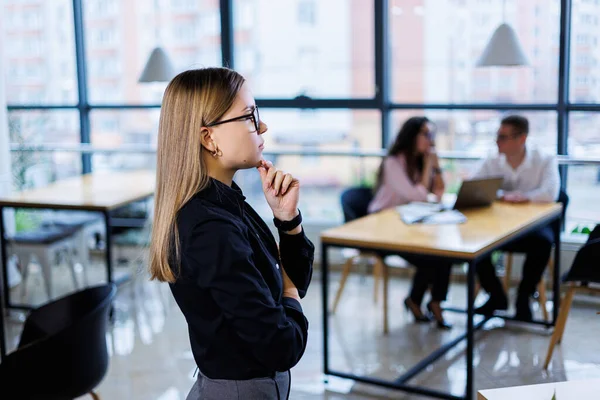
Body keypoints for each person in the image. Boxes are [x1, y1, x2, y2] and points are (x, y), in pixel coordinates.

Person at [148, 68, 314, 399]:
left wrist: (287, 219)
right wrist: (289, 288)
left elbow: (295, 281)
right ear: (208, 138)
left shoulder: (226, 202)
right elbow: (282, 345)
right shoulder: (209, 229)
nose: (262, 126)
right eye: (249, 117)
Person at [472, 115, 560, 321]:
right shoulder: (492, 160)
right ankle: (496, 296)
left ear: (522, 139)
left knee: (544, 243)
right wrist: (503, 195)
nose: (497, 141)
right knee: (473, 243)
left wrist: (524, 198)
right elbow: (474, 187)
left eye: (503, 137)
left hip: (532, 228)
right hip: (499, 226)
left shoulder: (544, 160)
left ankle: (524, 297)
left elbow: (551, 194)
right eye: (497, 136)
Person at [368, 117, 452, 330]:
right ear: (412, 135)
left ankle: (434, 302)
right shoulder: (393, 163)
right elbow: (417, 196)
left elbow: (439, 194)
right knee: (431, 256)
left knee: (445, 251)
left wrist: (436, 164)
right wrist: (427, 169)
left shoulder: (419, 161)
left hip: (409, 225)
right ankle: (416, 301)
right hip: (383, 228)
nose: (430, 140)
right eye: (426, 134)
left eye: (432, 135)